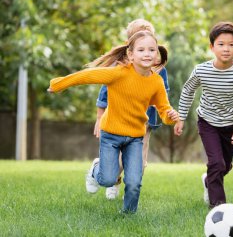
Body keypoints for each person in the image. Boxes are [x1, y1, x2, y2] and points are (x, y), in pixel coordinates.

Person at [48, 30, 179, 214]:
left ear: (157, 54)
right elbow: (87, 76)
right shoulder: (118, 74)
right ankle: (96, 169)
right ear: (130, 55)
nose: (147, 53)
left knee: (134, 182)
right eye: (141, 50)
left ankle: (127, 216)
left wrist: (170, 116)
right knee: (107, 179)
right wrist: (58, 84)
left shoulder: (156, 82)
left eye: (152, 49)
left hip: (135, 137)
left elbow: (163, 109)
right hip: (110, 135)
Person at [174, 22, 233, 208]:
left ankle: (208, 181)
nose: (226, 49)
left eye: (231, 44)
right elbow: (188, 91)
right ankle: (218, 207)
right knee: (216, 164)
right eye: (221, 44)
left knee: (224, 166)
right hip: (207, 122)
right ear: (212, 47)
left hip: (231, 125)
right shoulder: (201, 70)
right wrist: (181, 117)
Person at [93, 19, 170, 200]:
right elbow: (104, 91)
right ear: (130, 45)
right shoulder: (120, 68)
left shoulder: (158, 68)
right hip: (117, 121)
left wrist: (167, 113)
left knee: (139, 164)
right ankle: (112, 180)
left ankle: (129, 197)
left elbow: (163, 95)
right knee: (115, 159)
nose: (146, 51)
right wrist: (99, 116)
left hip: (143, 122)